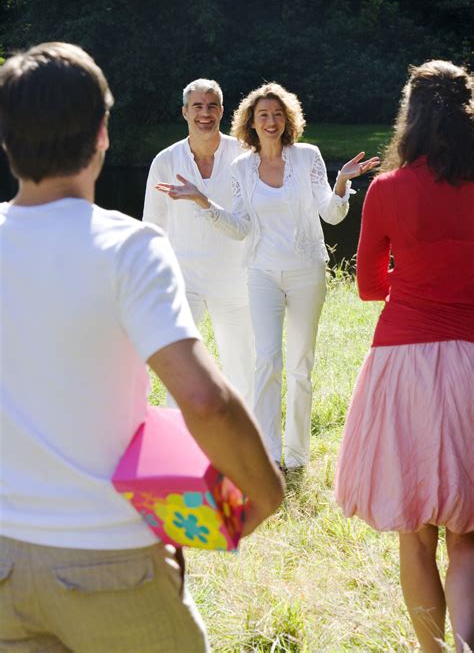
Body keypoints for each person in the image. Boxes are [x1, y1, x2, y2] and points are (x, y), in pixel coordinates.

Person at [0, 43, 284, 653]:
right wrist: (265, 494)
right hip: (109, 556)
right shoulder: (130, 247)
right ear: (102, 134)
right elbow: (205, 401)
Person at [156, 82, 379, 470]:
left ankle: (296, 455)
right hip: (261, 274)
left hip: (306, 272)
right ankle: (267, 452)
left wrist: (342, 182)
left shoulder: (308, 157)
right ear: (251, 122)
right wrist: (203, 201)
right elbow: (240, 227)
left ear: (287, 118)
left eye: (277, 114)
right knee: (267, 360)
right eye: (263, 115)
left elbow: (331, 213)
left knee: (300, 365)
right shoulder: (242, 166)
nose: (271, 121)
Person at [335, 60, 474, 652]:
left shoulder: (387, 190)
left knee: (415, 532)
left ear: (410, 114)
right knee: (469, 534)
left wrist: (413, 276)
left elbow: (368, 286)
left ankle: (431, 652)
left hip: (404, 359)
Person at [143, 79, 254, 408]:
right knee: (181, 368)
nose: (205, 114)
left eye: (211, 106)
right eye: (197, 106)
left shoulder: (244, 156)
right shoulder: (166, 161)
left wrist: (202, 200)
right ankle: (177, 445)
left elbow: (246, 227)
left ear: (222, 110)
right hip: (183, 279)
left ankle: (242, 449)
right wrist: (156, 282)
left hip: (235, 279)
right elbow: (153, 228)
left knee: (242, 369)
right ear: (184, 112)